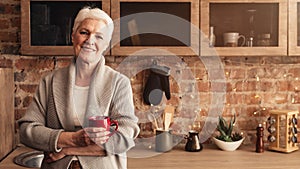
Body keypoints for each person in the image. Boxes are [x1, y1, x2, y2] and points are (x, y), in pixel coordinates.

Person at [18, 6, 140, 169]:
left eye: (99, 36)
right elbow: (27, 131)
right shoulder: (49, 81)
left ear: (106, 44)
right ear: (73, 36)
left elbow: (124, 137)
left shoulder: (119, 83)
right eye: (84, 32)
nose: (90, 40)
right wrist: (71, 138)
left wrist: (67, 150)